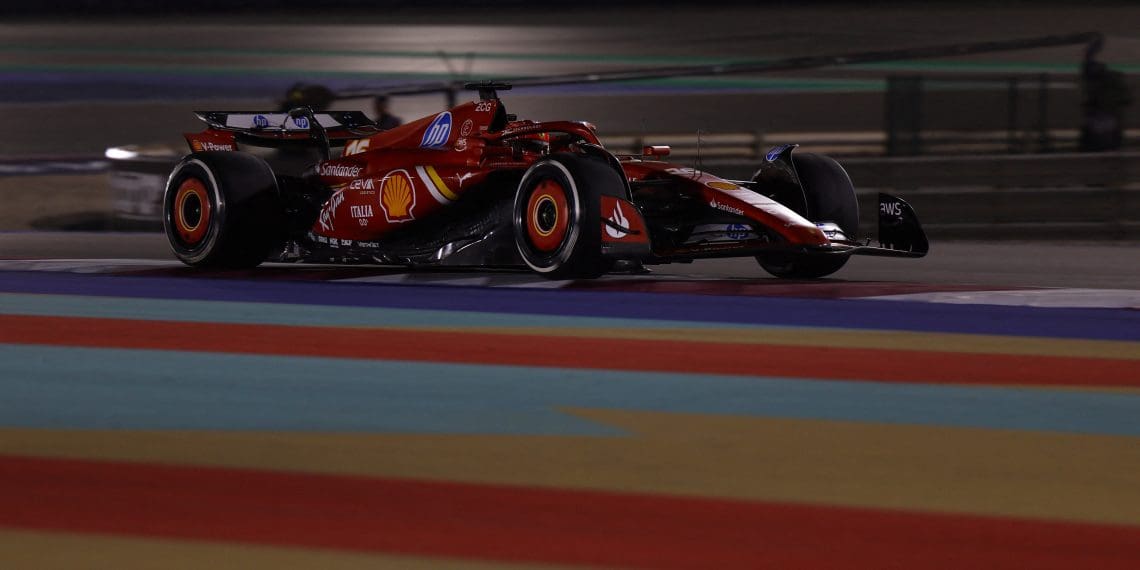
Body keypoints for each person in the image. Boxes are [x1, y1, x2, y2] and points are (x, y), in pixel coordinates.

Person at [1079, 38, 1133, 152]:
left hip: (1103, 129)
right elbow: (1127, 100)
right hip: (1105, 128)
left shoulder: (1108, 84)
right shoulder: (1111, 83)